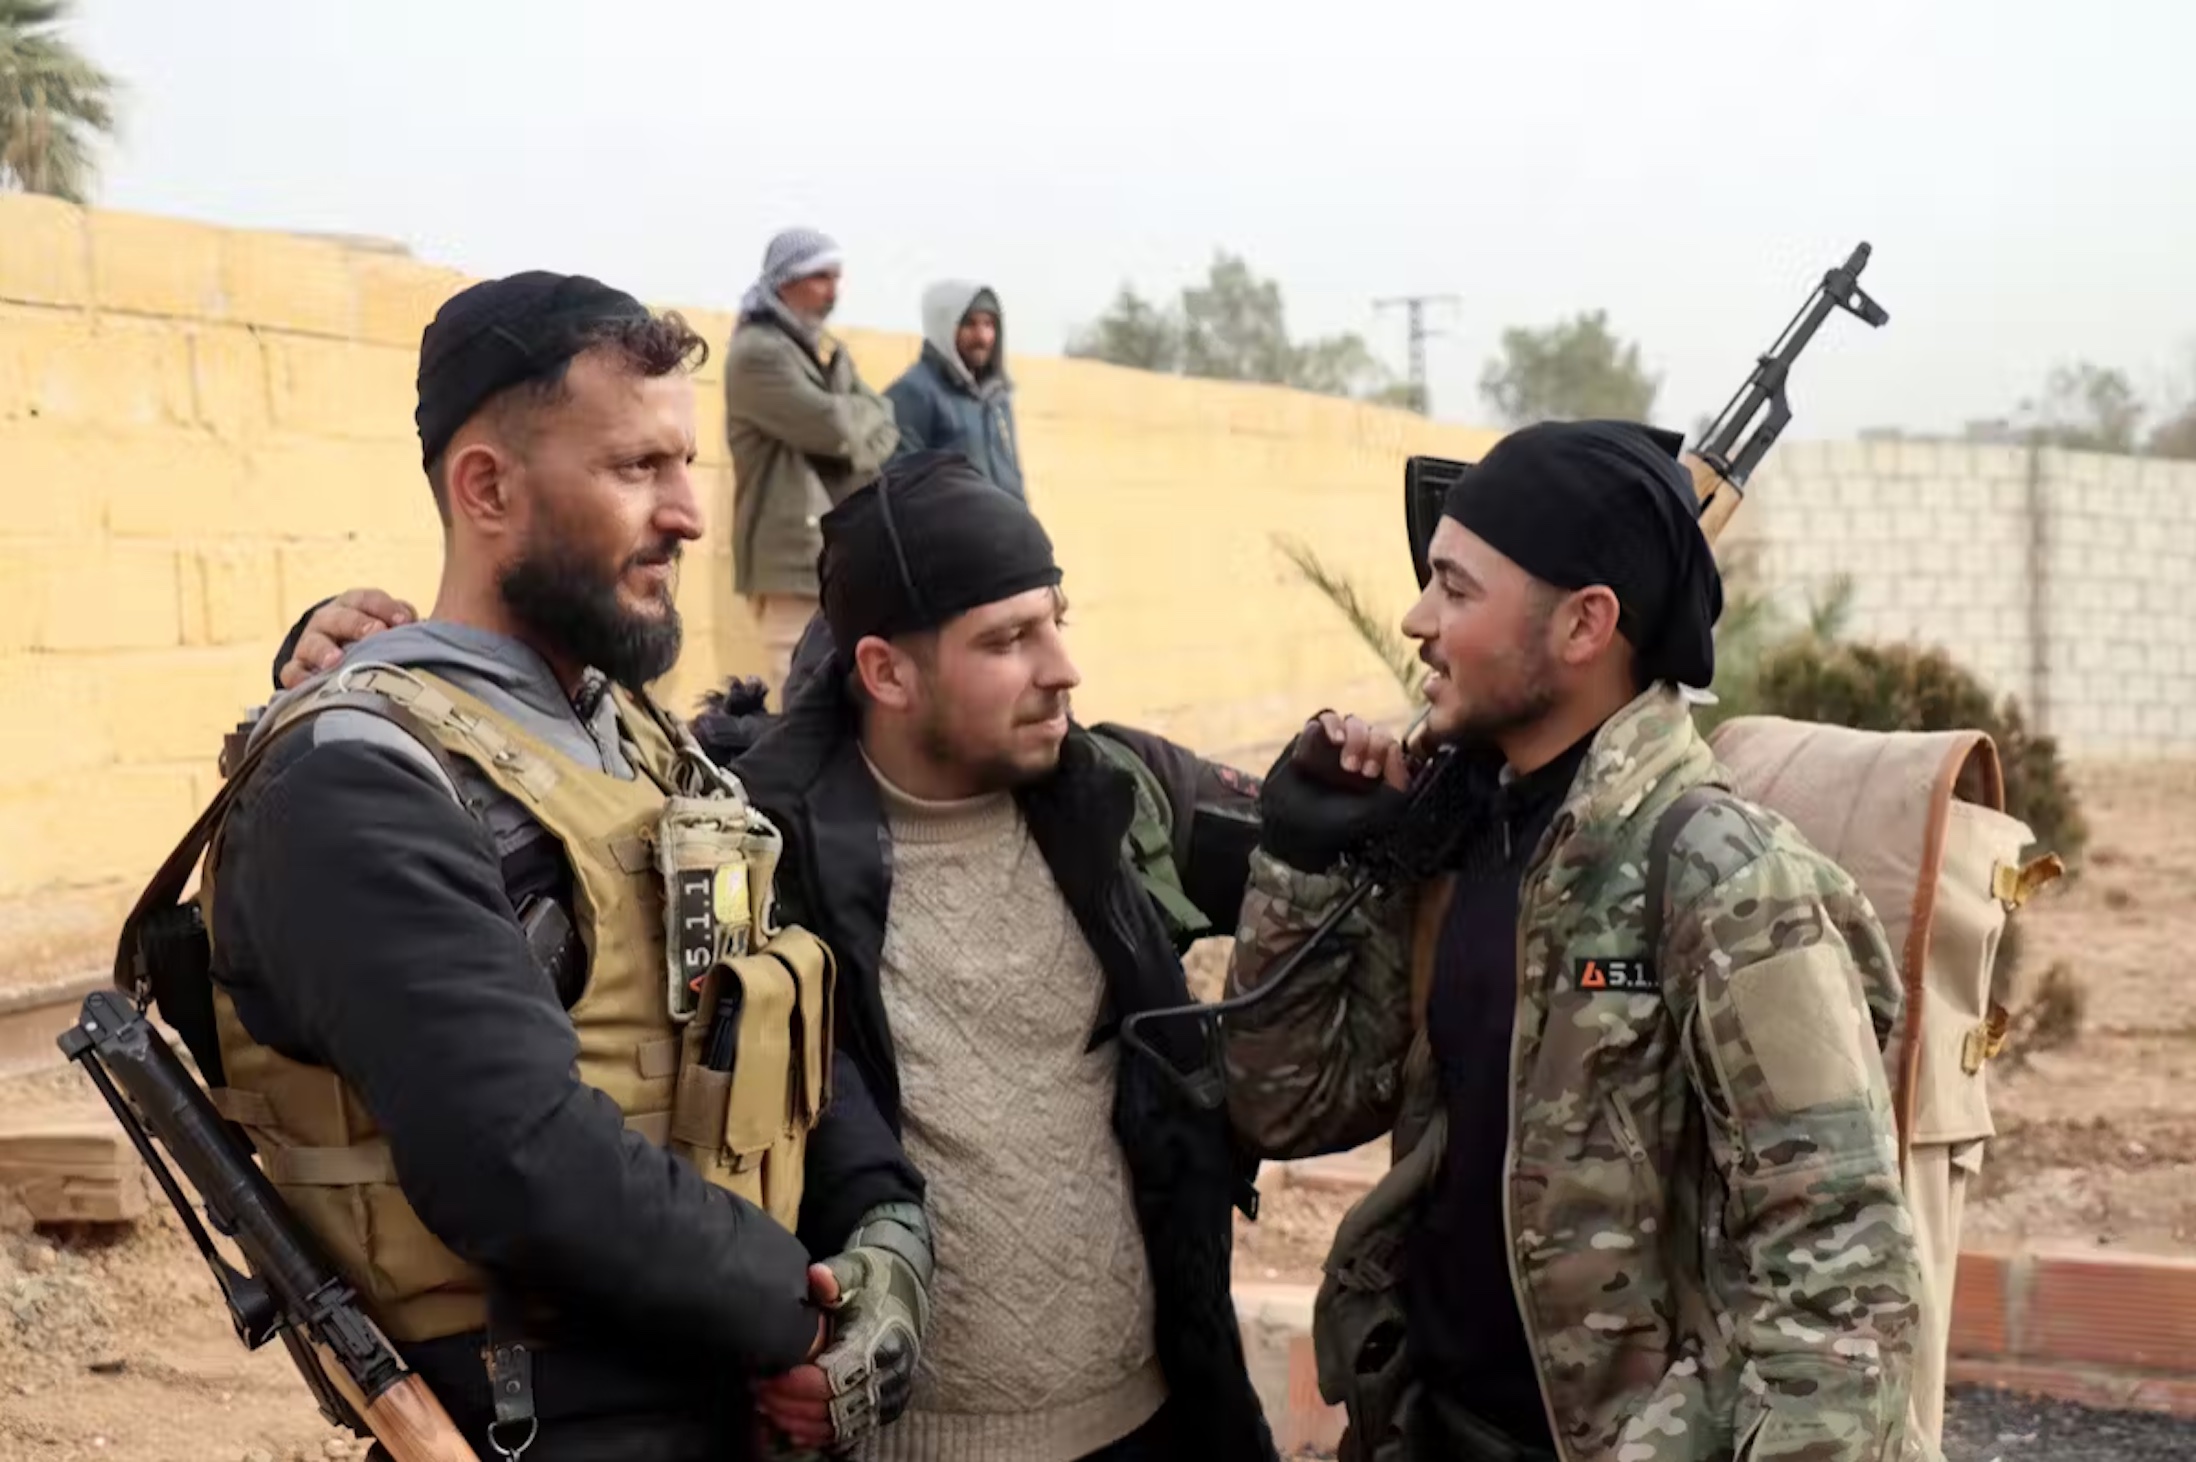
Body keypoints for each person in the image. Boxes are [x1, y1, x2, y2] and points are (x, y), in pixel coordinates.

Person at [202, 272, 930, 1461]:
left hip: (723, 1387)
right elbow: (517, 1156)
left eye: (686, 463)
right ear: (486, 487)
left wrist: (883, 1237)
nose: (691, 512)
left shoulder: (637, 736)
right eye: (637, 468)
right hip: (564, 1418)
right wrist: (795, 1319)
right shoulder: (351, 778)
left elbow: (777, 999)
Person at [1223, 420, 1930, 1462]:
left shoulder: (1721, 874)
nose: (1417, 619)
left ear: (1585, 624)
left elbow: (1845, 1282)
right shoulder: (1466, 840)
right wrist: (1299, 858)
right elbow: (1287, 1103)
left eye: (1457, 589)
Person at [730, 450, 1274, 1461]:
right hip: (898, 1441)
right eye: (1010, 639)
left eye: (1057, 619)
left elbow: (1334, 843)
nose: (1061, 665)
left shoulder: (1121, 792)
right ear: (886, 671)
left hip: (1148, 1420)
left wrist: (1355, 775)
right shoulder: (761, 849)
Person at [726, 227, 900, 698]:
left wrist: (855, 423)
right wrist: (856, 424)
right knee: (803, 695)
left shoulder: (824, 351)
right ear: (786, 279)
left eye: (836, 277)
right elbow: (837, 430)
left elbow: (887, 420)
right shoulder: (757, 354)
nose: (832, 291)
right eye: (820, 277)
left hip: (835, 551)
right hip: (791, 559)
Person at [881, 281, 1025, 501]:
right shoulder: (913, 393)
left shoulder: (996, 399)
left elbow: (1012, 480)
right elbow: (901, 487)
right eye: (969, 324)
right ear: (944, 327)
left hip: (1005, 532)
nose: (982, 337)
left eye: (988, 324)